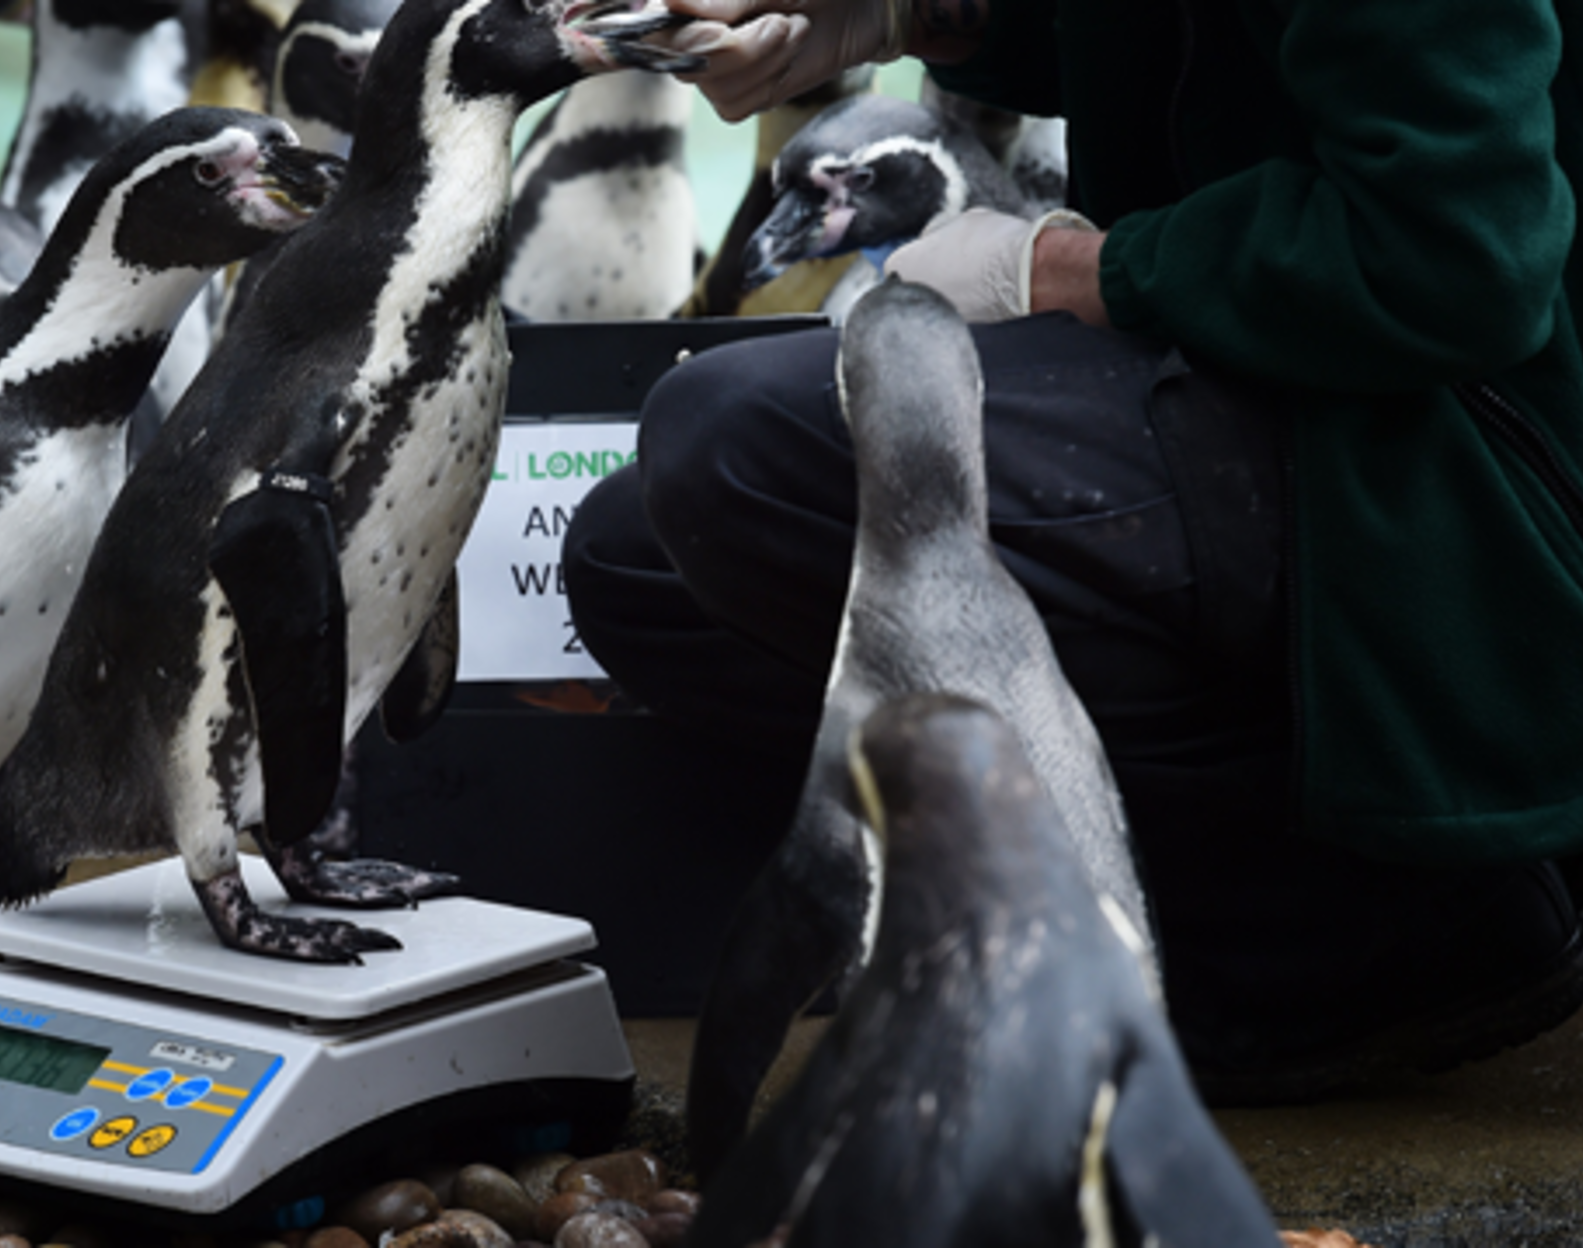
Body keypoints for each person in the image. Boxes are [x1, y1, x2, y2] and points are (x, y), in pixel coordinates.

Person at [561, 0, 1583, 1103]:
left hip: (1453, 481)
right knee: (643, 560)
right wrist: (912, 15)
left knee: (742, 447)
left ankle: (1388, 916)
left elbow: (1456, 257)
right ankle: (1144, 909)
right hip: (1247, 372)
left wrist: (1067, 270)